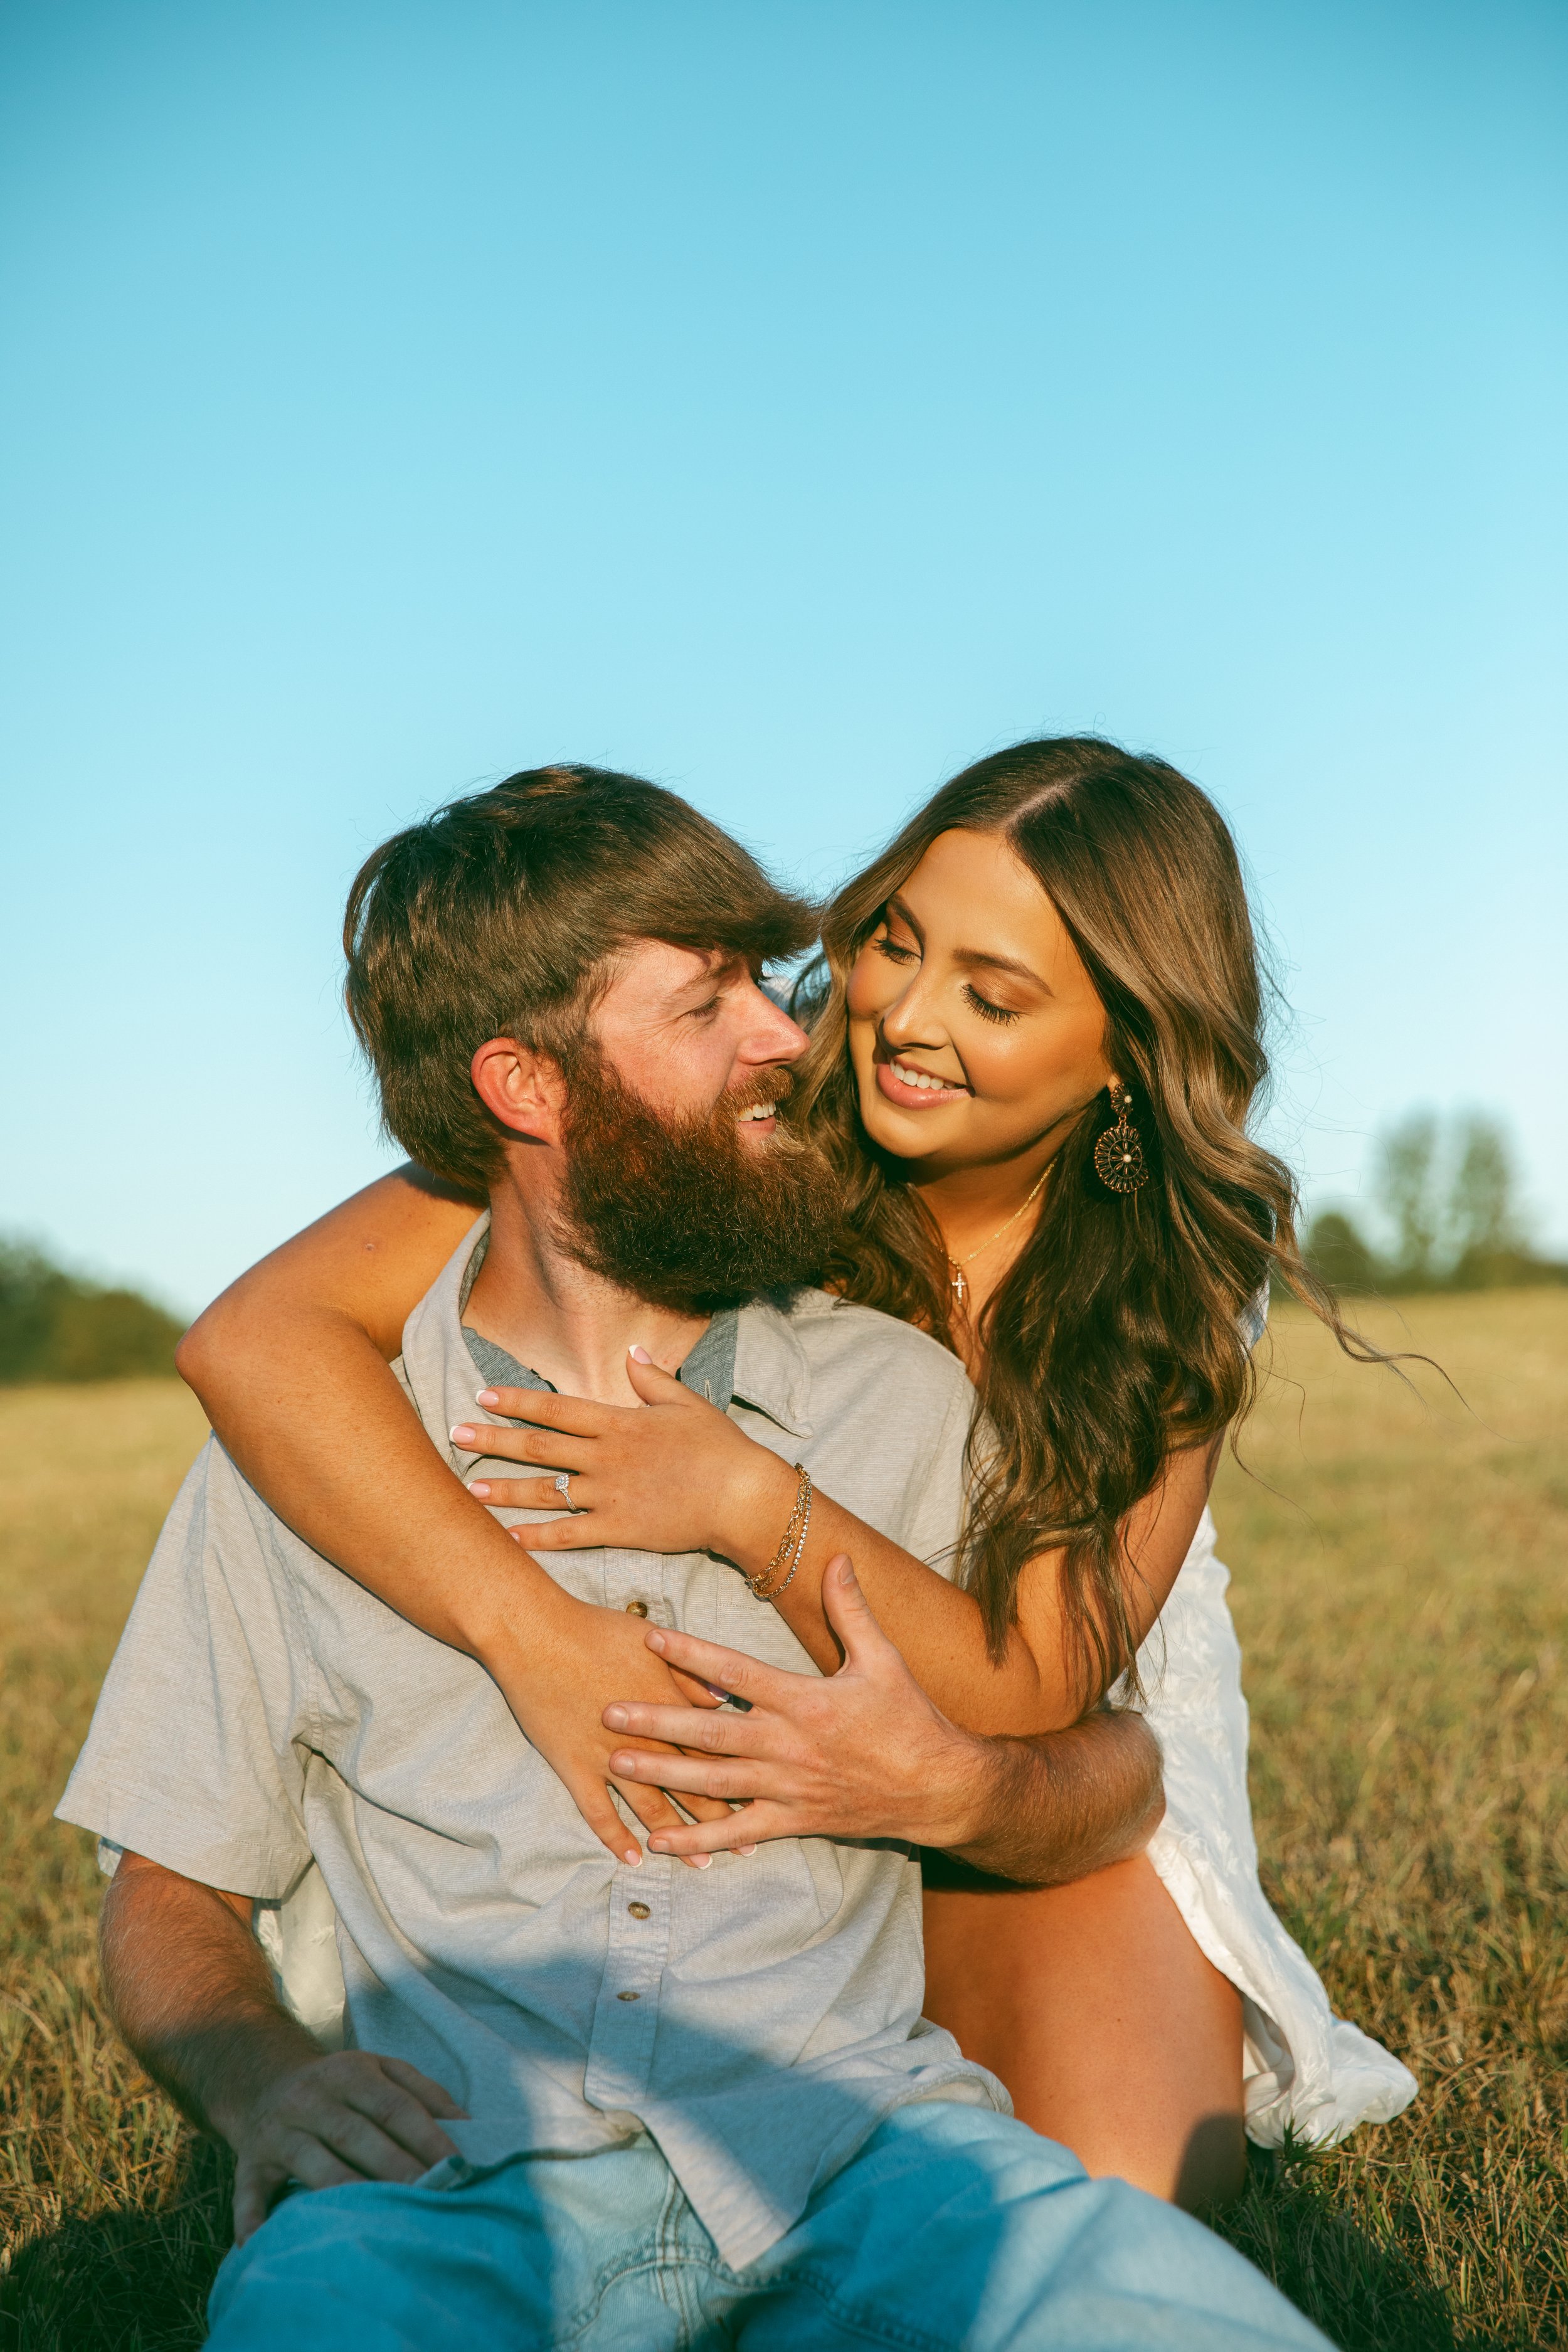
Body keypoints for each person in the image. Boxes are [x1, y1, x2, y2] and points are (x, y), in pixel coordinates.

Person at [59, 766, 1328, 2349]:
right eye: (890, 944)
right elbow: (262, 1337)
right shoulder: (355, 1425)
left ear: (1120, 1055)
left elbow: (1049, 1705)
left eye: (993, 995)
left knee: (1132, 2199)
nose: (868, 1024)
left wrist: (752, 1510)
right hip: (474, 2172)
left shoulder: (1034, 1341)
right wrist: (531, 1637)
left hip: (993, 1778)